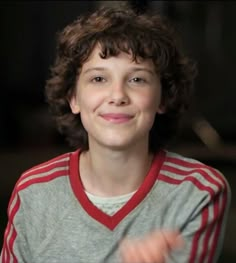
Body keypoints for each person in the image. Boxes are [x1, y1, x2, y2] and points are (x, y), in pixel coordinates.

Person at [1, 5, 231, 263]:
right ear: (74, 98)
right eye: (99, 79)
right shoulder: (33, 191)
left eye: (137, 79)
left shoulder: (198, 190)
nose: (118, 95)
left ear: (163, 98)